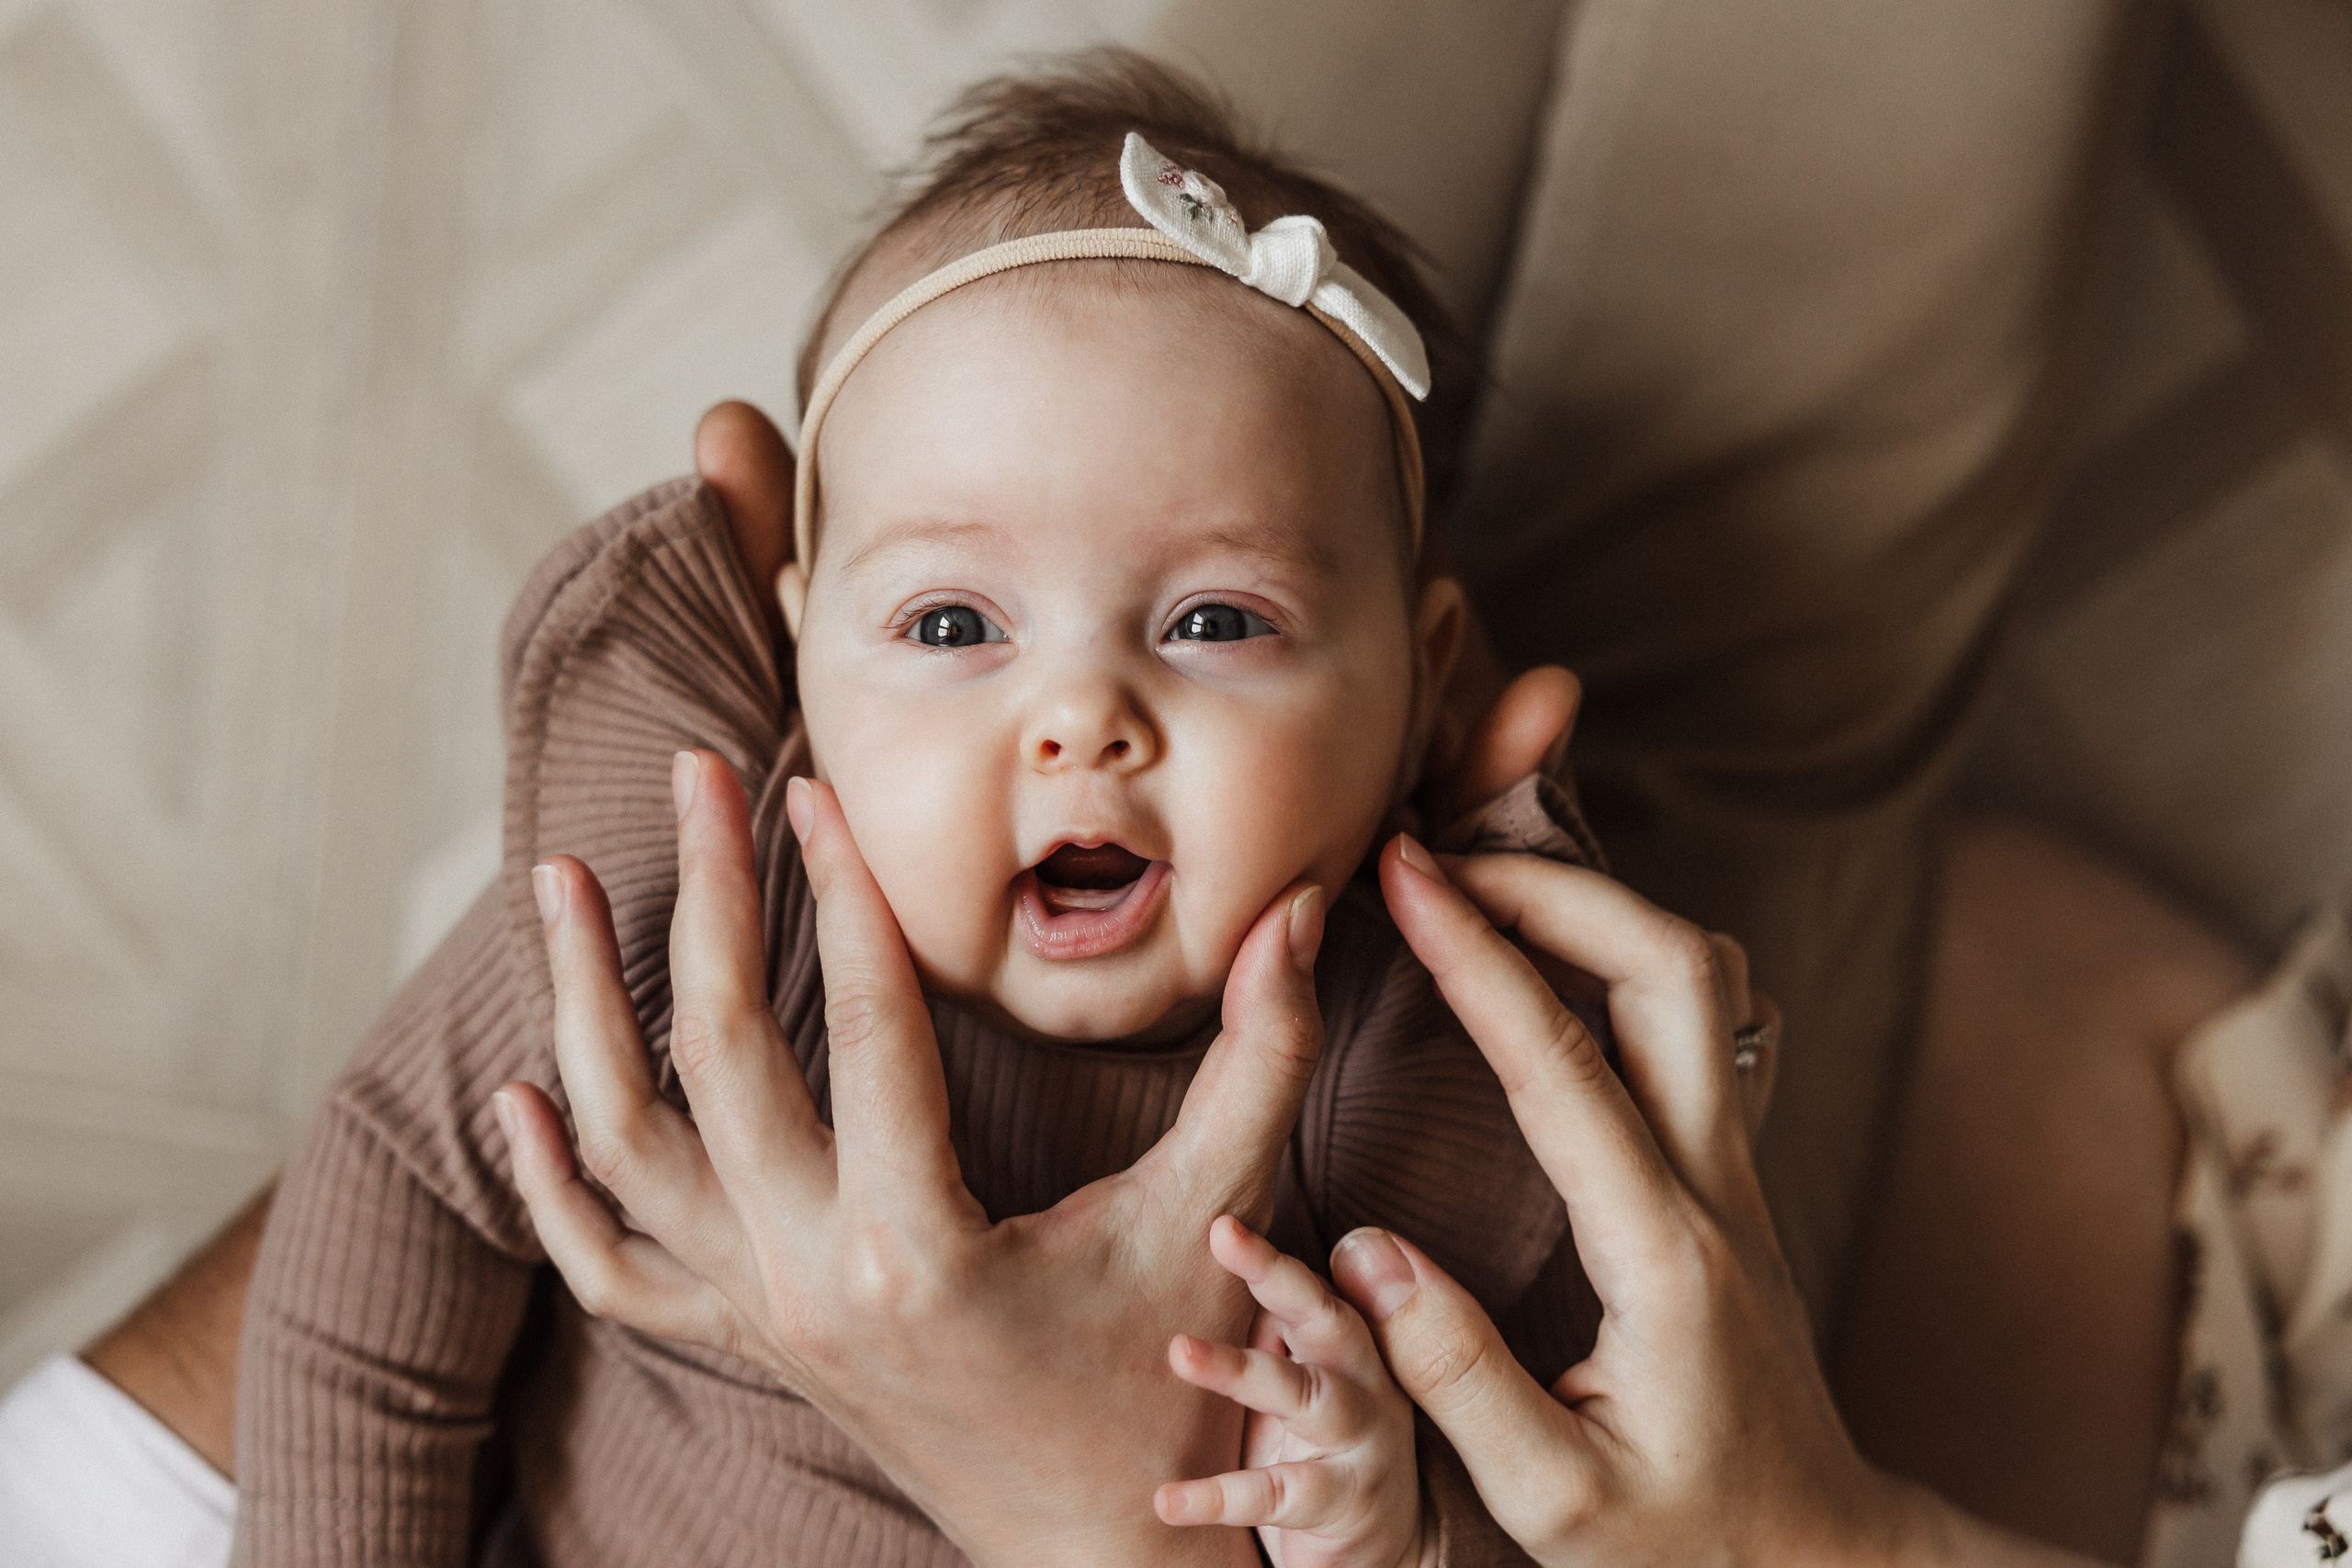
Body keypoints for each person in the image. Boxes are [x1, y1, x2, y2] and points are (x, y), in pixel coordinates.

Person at [226, 52, 1649, 1567]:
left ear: (1425, 690)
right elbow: (395, 1193)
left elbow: (1589, 1482)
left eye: (1217, 622)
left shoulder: (1440, 1078)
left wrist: (1397, 1526)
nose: (1080, 721)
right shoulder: (703, 913)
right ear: (798, 664)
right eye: (955, 627)